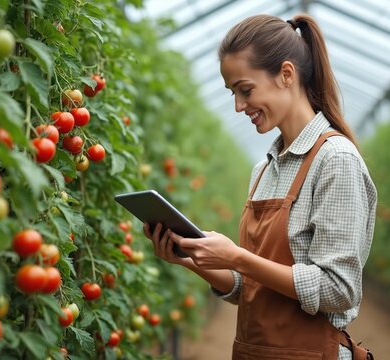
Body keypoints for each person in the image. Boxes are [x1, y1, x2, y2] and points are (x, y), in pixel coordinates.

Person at [143, 13, 376, 360]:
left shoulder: (335, 160)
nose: (238, 106)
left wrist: (237, 256)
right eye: (233, 93)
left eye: (245, 90)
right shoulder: (263, 170)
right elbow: (252, 289)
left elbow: (337, 289)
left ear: (286, 74)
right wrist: (194, 260)